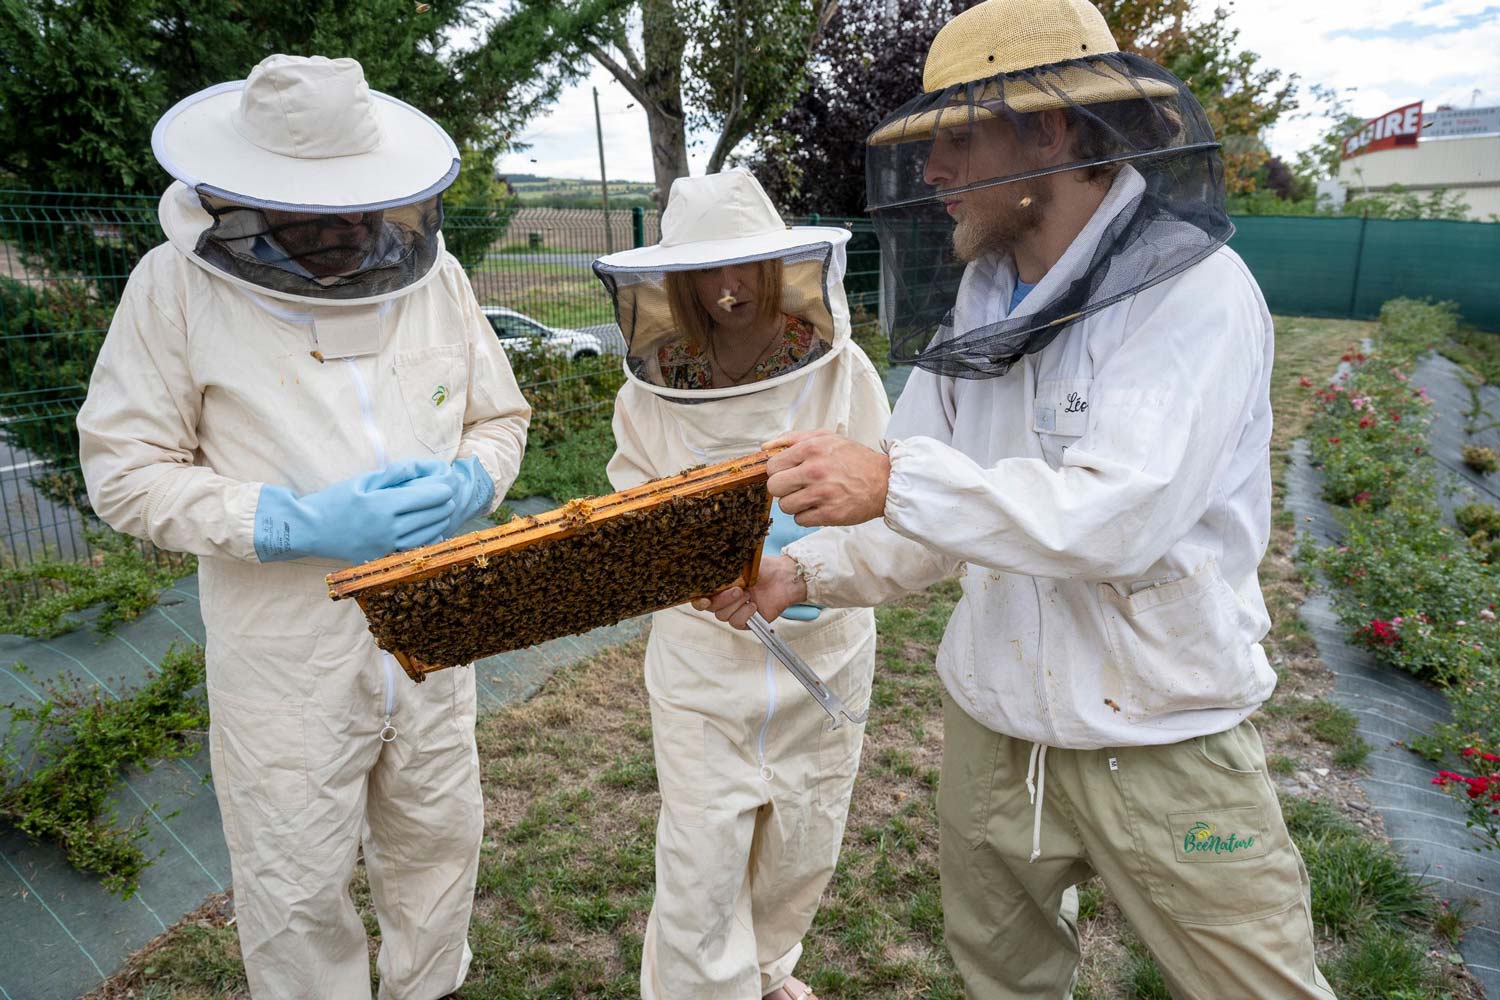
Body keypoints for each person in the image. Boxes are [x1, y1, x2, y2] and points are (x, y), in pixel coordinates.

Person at [700, 2, 1338, 997]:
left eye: (959, 141)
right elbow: (919, 521)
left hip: (1163, 738)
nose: (938, 175)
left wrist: (893, 478)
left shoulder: (1195, 297)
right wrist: (797, 571)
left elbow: (1115, 518)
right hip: (994, 737)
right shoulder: (982, 302)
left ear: (1048, 130)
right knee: (1004, 983)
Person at [77, 55, 530, 999]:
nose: (349, 232)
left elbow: (501, 418)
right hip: (285, 657)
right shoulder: (174, 290)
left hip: (434, 631)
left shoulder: (434, 282)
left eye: (361, 207)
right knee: (292, 878)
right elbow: (122, 473)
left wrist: (469, 484)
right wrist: (286, 521)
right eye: (317, 212)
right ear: (248, 201)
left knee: (441, 840)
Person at [593, 170, 890, 1000]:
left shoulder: (841, 369)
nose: (729, 289)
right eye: (706, 271)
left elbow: (884, 491)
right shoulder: (651, 388)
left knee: (805, 837)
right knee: (701, 856)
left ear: (778, 266)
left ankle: (764, 972)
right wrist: (680, 566)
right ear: (675, 282)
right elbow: (631, 503)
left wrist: (809, 555)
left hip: (824, 643)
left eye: (743, 268)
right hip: (702, 660)